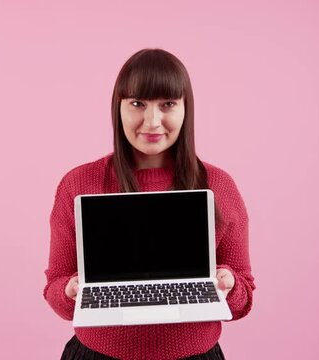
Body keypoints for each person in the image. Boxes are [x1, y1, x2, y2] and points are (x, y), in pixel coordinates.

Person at [44, 48, 255, 360]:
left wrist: (227, 282)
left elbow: (243, 296)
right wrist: (71, 290)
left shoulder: (219, 185)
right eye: (137, 103)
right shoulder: (77, 184)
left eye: (167, 104)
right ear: (118, 108)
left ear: (186, 109)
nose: (152, 121)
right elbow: (54, 289)